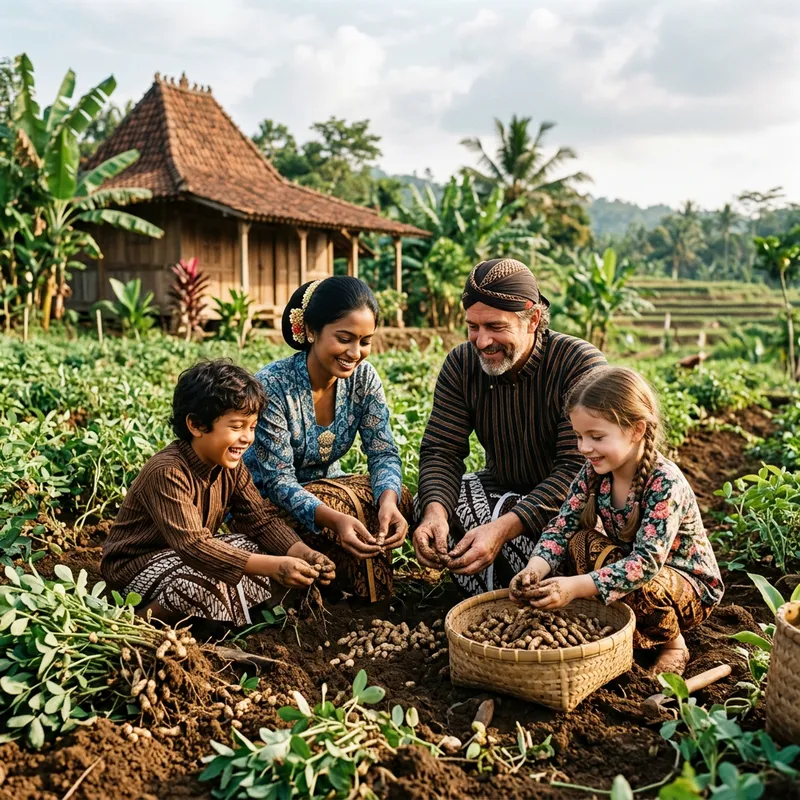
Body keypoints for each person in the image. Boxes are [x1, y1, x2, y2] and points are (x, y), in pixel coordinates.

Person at [510, 366, 724, 675]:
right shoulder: (594, 473)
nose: (584, 448)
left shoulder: (664, 483)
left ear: (637, 430)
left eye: (596, 437)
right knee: (580, 541)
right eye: (579, 436)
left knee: (646, 586)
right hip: (632, 568)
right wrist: (535, 568)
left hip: (684, 586)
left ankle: (674, 643)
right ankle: (622, 626)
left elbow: (646, 563)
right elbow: (563, 525)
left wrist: (575, 587)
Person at [413, 257, 606, 595]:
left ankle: (530, 585)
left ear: (532, 320)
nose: (482, 341)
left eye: (495, 327)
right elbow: (442, 450)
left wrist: (504, 528)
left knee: (580, 542)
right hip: (501, 487)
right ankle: (495, 591)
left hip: (571, 502)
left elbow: (577, 470)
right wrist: (434, 514)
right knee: (430, 503)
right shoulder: (461, 364)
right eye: (473, 326)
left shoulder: (578, 364)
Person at [100, 359, 335, 626]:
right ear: (196, 425)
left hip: (180, 560)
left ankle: (206, 617)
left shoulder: (230, 466)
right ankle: (141, 623)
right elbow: (194, 546)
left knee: (253, 549)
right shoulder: (167, 471)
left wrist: (303, 553)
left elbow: (260, 521)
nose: (247, 437)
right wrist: (276, 567)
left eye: (252, 427)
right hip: (133, 570)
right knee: (206, 577)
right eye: (236, 427)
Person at [244, 276, 412, 602]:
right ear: (310, 330)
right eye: (344, 338)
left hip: (329, 496)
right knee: (345, 504)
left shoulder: (364, 378)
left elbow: (382, 451)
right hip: (267, 507)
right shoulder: (273, 385)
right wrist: (336, 518)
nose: (355, 352)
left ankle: (356, 590)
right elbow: (278, 482)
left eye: (365, 341)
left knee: (397, 497)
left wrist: (388, 502)